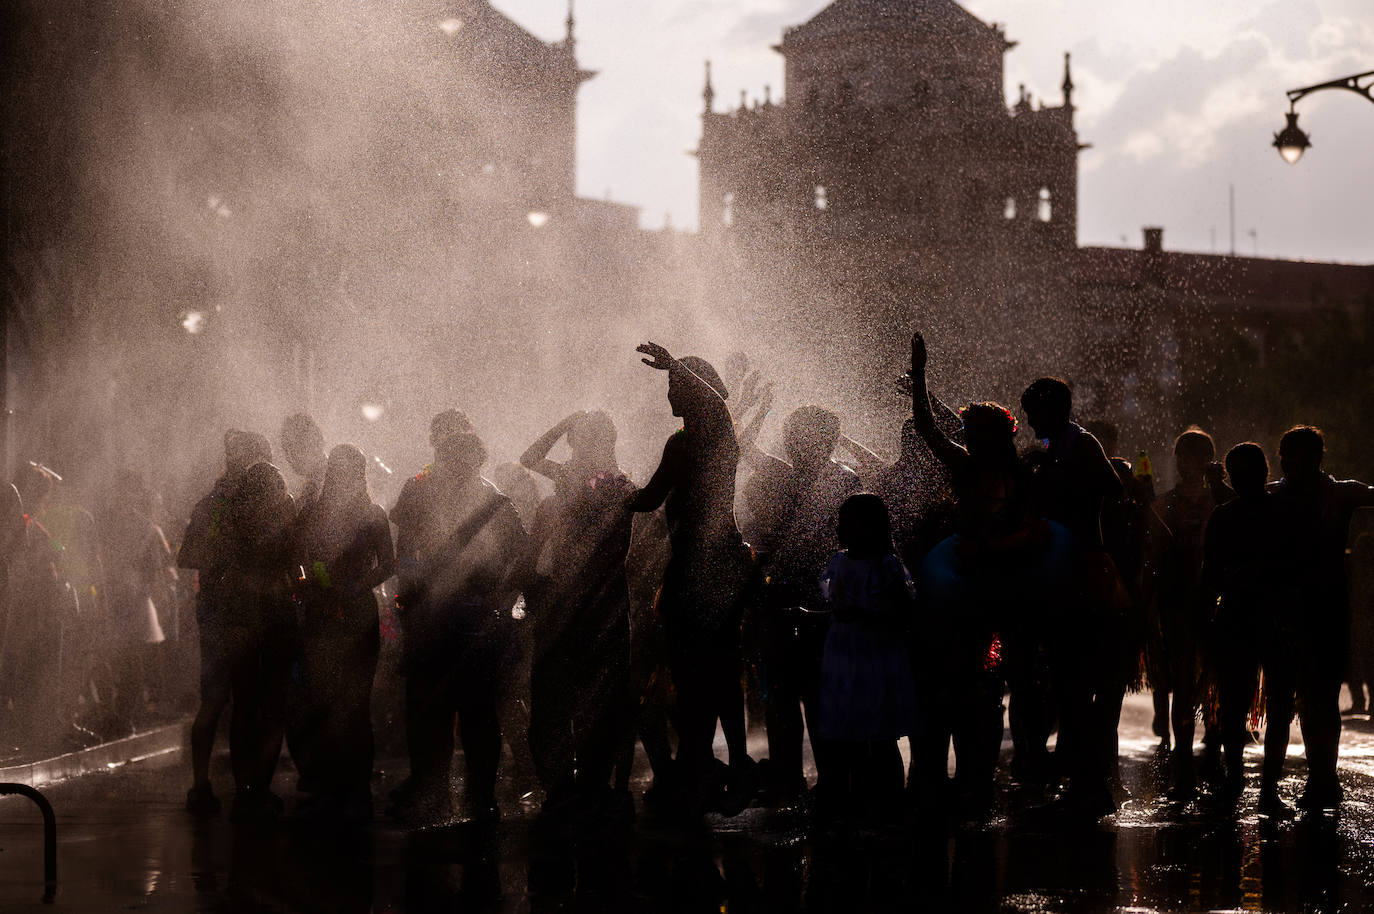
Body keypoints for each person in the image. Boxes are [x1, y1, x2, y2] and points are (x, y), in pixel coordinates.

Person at [907, 332, 1046, 813]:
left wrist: (991, 547)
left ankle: (975, 784)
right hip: (961, 591)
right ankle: (942, 783)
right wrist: (921, 375)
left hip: (994, 592)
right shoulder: (968, 469)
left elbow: (1032, 533)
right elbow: (927, 426)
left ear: (1000, 437)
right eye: (968, 434)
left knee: (982, 692)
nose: (968, 440)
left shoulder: (1021, 479)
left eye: (975, 434)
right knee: (956, 689)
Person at [628, 342, 754, 815]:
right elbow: (649, 499)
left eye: (673, 387)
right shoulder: (678, 442)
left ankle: (736, 766)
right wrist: (609, 500)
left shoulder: (720, 436)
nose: (668, 397)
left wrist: (678, 364)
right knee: (688, 673)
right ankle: (699, 766)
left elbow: (718, 408)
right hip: (686, 570)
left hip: (718, 566)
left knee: (719, 670)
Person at [389, 426, 529, 825]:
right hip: (465, 620)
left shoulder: (432, 494)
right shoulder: (491, 500)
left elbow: (405, 555)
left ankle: (451, 794)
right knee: (472, 714)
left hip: (450, 620)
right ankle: (475, 798)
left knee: (448, 713)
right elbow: (523, 555)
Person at [520, 410, 638, 818]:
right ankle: (590, 785)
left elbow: (529, 457)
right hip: (604, 602)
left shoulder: (577, 484)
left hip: (571, 603)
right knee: (599, 699)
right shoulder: (625, 486)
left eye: (579, 442)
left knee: (556, 698)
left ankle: (564, 787)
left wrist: (563, 421)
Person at [1020, 376, 1127, 818]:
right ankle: (1085, 785)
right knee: (1068, 687)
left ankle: (1090, 789)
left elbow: (1113, 487)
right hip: (1065, 571)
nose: (1029, 424)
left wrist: (1055, 484)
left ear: (1056, 409)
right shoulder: (1057, 445)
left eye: (1034, 415)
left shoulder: (1080, 444)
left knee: (1077, 685)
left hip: (1083, 572)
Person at [742, 405, 860, 805]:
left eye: (796, 436)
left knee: (789, 693)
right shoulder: (845, 479)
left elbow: (746, 449)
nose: (792, 443)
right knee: (807, 693)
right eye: (792, 436)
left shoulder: (799, 477)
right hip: (814, 598)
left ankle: (794, 780)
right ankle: (824, 782)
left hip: (799, 598)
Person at [1269, 425, 1374, 810]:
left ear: (1315, 459)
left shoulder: (1339, 493)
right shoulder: (1277, 495)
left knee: (1321, 699)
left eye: (1291, 455)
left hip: (1325, 610)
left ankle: (1321, 778)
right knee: (1298, 700)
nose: (1285, 462)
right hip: (1288, 611)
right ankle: (1305, 782)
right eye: (1282, 455)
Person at [294, 444, 395, 821]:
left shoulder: (371, 514)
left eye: (346, 471)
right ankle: (337, 786)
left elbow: (388, 563)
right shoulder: (317, 513)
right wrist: (308, 581)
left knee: (351, 705)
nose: (341, 477)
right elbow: (297, 557)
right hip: (326, 611)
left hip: (350, 612)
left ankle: (351, 786)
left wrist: (351, 586)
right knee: (329, 703)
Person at [1201, 443, 1301, 814]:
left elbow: (1209, 578)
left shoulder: (1225, 516)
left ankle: (1239, 782)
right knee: (1269, 707)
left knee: (1238, 705)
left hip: (1245, 617)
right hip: (1269, 618)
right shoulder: (1282, 512)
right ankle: (1264, 788)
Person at [179, 430, 273, 816]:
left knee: (214, 699)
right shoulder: (251, 504)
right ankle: (246, 790)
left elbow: (187, 556)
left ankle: (200, 787)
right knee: (247, 702)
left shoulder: (209, 503)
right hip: (242, 612)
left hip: (213, 609)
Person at [817, 493, 916, 823]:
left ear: (873, 528)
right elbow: (833, 603)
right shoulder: (838, 562)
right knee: (851, 736)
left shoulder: (886, 565)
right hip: (844, 655)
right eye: (841, 521)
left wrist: (863, 612)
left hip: (875, 655)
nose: (842, 527)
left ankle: (889, 803)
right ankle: (858, 804)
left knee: (881, 736)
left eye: (850, 522)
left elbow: (903, 610)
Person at [1151, 428, 1232, 797]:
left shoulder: (1221, 501)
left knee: (1216, 680)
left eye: (1196, 457)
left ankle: (1212, 749)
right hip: (1179, 603)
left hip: (1216, 602)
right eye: (1182, 456)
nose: (1187, 464)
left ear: (1208, 461)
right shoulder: (1165, 502)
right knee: (1183, 682)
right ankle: (1184, 757)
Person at [219, 460, 300, 822]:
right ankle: (261, 790)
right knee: (273, 706)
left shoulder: (234, 515)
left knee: (244, 705)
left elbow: (220, 560)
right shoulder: (287, 510)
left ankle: (244, 792)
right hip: (277, 609)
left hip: (237, 610)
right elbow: (298, 561)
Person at [97, 470, 176, 736]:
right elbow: (154, 570)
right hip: (125, 598)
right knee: (124, 660)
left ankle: (119, 715)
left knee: (122, 659)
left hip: (118, 597)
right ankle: (119, 715)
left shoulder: (110, 523)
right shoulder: (143, 527)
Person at [281, 413, 328, 513]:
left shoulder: (325, 486)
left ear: (316, 444)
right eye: (286, 448)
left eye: (297, 447)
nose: (290, 457)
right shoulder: (308, 485)